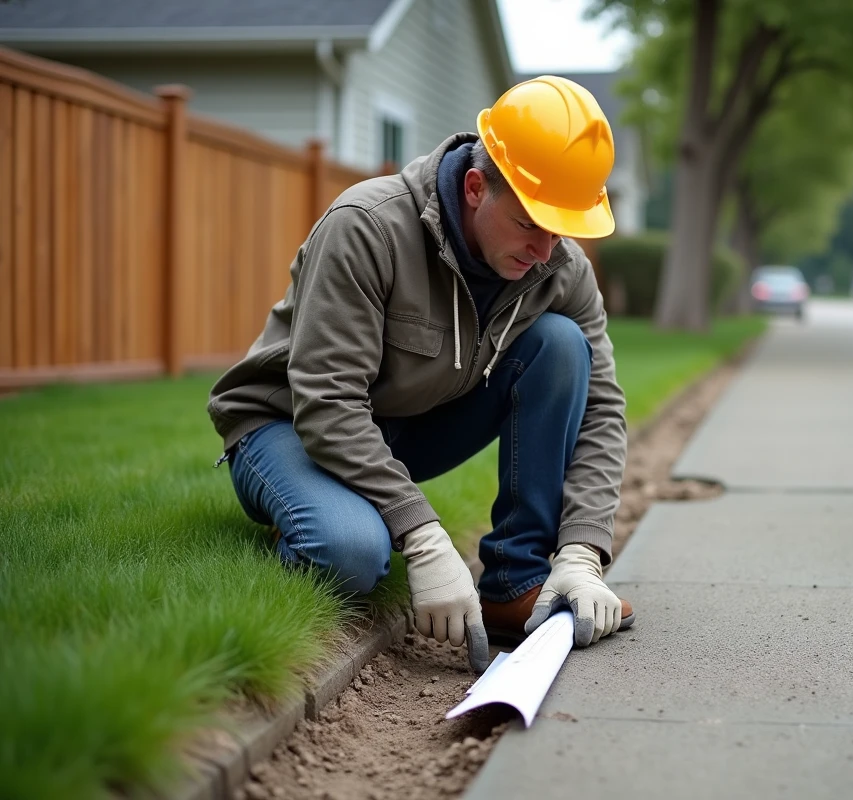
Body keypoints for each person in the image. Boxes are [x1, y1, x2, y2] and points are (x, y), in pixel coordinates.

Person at [207, 76, 633, 674]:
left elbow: (601, 409)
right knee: (352, 553)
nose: (546, 251)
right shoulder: (367, 226)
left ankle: (514, 583)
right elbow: (327, 402)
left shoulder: (560, 268)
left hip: (408, 424)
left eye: (560, 228)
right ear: (476, 187)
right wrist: (424, 536)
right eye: (529, 223)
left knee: (562, 345)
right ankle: (313, 513)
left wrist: (582, 550)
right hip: (288, 425)